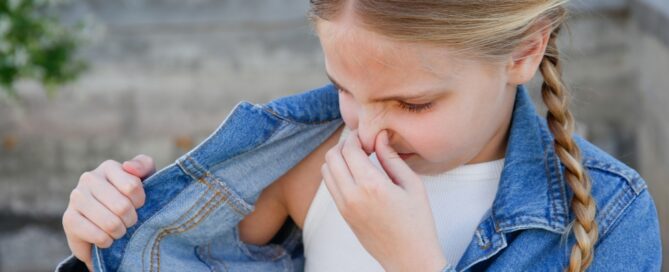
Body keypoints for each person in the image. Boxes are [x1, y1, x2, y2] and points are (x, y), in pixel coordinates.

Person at [58, 1, 662, 271]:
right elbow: (174, 257)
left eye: (413, 103)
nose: (367, 131)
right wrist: (102, 235)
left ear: (525, 52)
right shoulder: (305, 165)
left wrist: (414, 265)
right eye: (345, 90)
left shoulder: (611, 215)